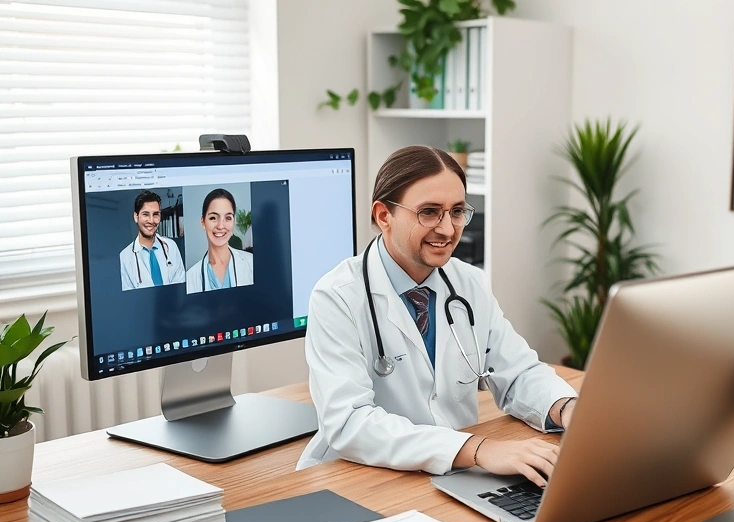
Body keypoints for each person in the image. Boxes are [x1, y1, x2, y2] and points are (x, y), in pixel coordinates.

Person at [297, 145, 579, 488]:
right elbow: (350, 424)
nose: (447, 230)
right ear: (384, 215)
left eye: (457, 211)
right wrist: (478, 448)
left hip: (456, 476)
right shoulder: (337, 297)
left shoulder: (468, 284)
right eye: (429, 212)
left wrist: (567, 409)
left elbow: (517, 372)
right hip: (364, 480)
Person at [185, 188, 255, 293]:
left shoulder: (251, 263)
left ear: (233, 221)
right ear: (203, 222)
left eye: (228, 218)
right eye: (213, 218)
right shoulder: (190, 277)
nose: (221, 226)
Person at [119, 190, 185, 291]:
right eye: (145, 214)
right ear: (136, 217)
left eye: (155, 214)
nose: (151, 220)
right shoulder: (125, 256)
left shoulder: (171, 246)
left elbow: (180, 285)